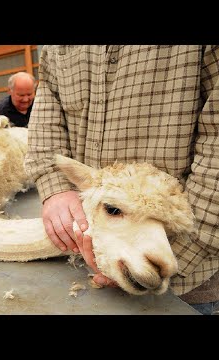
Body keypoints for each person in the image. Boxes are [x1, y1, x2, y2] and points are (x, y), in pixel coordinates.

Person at [24, 45, 219, 315]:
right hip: (84, 258)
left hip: (186, 277)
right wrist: (55, 187)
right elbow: (47, 110)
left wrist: (182, 251)